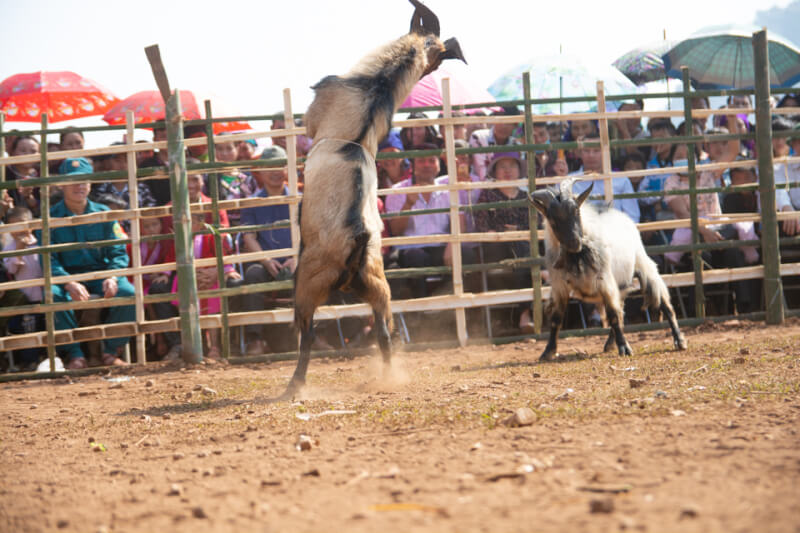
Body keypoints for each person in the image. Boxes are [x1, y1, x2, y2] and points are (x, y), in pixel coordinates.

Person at [47, 158, 134, 368]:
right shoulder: (49, 217)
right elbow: (48, 258)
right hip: (67, 277)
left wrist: (112, 276)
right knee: (53, 296)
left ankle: (110, 351)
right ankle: (75, 354)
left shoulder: (103, 213)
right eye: (73, 181)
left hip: (100, 274)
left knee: (128, 293)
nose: (79, 186)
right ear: (61, 183)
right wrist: (68, 282)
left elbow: (118, 252)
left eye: (84, 180)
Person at [238, 146, 295, 355]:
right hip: (266, 262)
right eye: (269, 167)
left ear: (287, 170)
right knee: (253, 275)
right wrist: (266, 260)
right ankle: (256, 339)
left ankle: (316, 334)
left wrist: (296, 257)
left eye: (280, 165)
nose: (275, 171)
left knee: (315, 272)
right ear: (260, 172)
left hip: (295, 260)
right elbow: (248, 236)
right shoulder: (252, 202)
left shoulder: (299, 198)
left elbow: (311, 232)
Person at [473, 152, 533, 332]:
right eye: (502, 166)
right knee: (521, 252)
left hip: (523, 246)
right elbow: (482, 225)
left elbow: (536, 224)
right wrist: (503, 234)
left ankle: (524, 314)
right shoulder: (487, 196)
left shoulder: (526, 197)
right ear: (495, 171)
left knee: (521, 252)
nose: (508, 171)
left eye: (512, 166)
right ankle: (540, 270)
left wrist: (519, 232)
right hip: (497, 248)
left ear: (519, 170)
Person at [385, 143, 452, 299]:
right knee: (415, 257)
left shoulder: (448, 190)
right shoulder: (397, 191)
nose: (427, 165)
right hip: (411, 248)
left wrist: (452, 244)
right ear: (413, 165)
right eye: (421, 161)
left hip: (441, 246)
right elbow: (396, 231)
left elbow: (458, 223)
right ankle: (422, 311)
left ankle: (451, 306)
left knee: (464, 253)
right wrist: (408, 204)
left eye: (431, 161)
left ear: (438, 166)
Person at [2, 207, 45, 370]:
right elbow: (12, 269)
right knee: (28, 327)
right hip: (27, 297)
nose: (17, 230)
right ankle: (30, 361)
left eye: (21, 224)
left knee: (47, 324)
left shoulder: (40, 241)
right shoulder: (9, 248)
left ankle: (51, 357)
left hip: (44, 293)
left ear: (31, 225)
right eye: (12, 226)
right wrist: (19, 249)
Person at [469, 107, 521, 179]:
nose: (503, 126)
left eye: (508, 122)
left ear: (516, 126)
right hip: (482, 188)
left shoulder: (517, 145)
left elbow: (519, 175)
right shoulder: (478, 137)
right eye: (500, 120)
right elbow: (482, 173)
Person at [138, 127, 171, 205]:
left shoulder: (188, 161)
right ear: (155, 139)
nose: (168, 140)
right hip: (158, 211)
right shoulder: (146, 165)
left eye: (171, 136)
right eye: (163, 137)